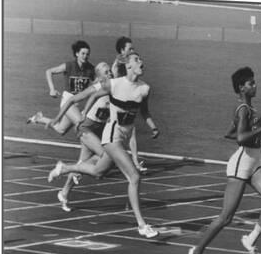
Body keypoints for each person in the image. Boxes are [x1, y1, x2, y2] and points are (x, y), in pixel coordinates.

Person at [47, 51, 161, 238]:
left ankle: (65, 168)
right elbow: (75, 99)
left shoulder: (144, 88)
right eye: (136, 59)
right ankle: (142, 225)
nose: (141, 62)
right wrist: (57, 118)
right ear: (129, 66)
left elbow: (145, 112)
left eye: (141, 58)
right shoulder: (113, 84)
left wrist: (154, 127)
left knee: (98, 171)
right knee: (134, 176)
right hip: (111, 137)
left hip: (121, 138)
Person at [187, 67, 261, 254]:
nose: (255, 85)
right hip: (241, 164)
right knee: (226, 217)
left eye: (254, 82)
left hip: (254, 161)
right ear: (242, 87)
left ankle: (250, 239)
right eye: (251, 83)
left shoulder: (249, 109)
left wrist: (258, 131)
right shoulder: (242, 109)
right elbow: (240, 138)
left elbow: (229, 133)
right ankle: (195, 253)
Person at [46, 62, 112, 212]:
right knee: (105, 156)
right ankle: (64, 168)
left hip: (98, 131)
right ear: (99, 76)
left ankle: (64, 193)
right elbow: (71, 101)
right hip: (86, 129)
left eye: (110, 71)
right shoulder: (96, 87)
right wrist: (57, 118)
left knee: (83, 164)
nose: (110, 74)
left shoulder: (113, 87)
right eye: (106, 72)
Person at [27, 40, 95, 135]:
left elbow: (97, 83)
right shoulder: (69, 66)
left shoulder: (91, 69)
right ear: (76, 54)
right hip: (67, 101)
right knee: (81, 124)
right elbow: (49, 71)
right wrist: (52, 89)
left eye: (87, 54)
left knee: (61, 129)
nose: (85, 56)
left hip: (79, 104)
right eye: (82, 53)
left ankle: (39, 119)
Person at [112, 37, 146, 172]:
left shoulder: (132, 62)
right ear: (122, 50)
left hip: (127, 102)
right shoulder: (118, 65)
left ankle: (135, 162)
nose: (132, 50)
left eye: (133, 48)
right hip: (116, 104)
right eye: (129, 48)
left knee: (132, 131)